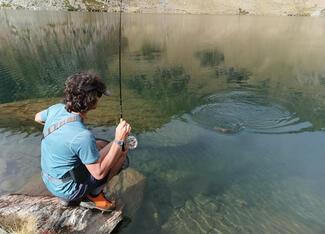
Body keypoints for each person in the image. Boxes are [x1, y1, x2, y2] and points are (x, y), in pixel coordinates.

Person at [34, 71, 131, 211]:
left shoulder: (56, 109)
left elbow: (37, 117)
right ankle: (95, 194)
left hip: (49, 179)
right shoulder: (82, 136)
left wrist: (61, 134)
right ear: (92, 101)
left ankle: (80, 191)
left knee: (101, 144)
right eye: (99, 95)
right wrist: (118, 140)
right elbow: (99, 173)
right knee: (121, 152)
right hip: (67, 189)